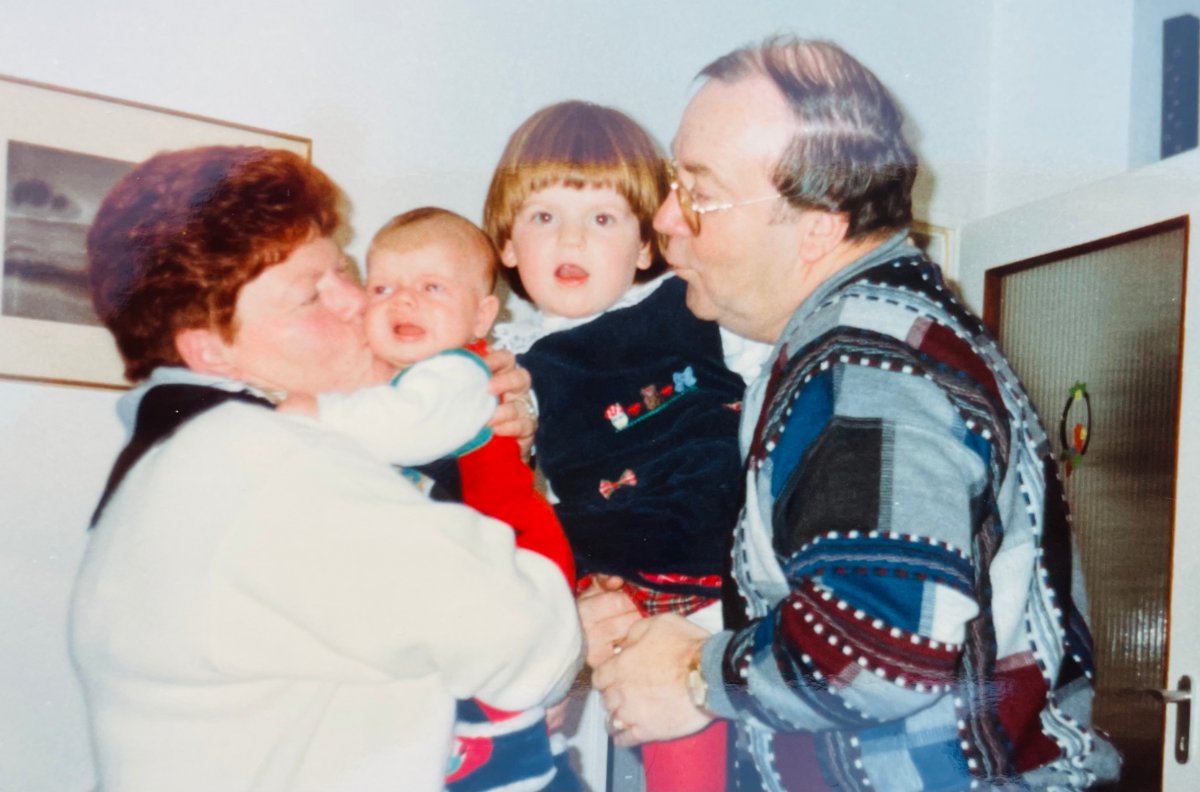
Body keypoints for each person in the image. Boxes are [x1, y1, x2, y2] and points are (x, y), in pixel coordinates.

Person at [589, 37, 1121, 791]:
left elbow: (877, 651)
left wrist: (693, 678)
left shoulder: (864, 363)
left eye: (700, 193)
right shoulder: (883, 335)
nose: (667, 217)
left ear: (817, 224)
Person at [69, 145, 581, 792]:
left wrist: (484, 439)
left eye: (343, 270)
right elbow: (528, 635)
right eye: (310, 295)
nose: (356, 303)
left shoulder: (178, 458)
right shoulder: (256, 463)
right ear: (212, 350)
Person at [484, 100, 769, 792]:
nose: (571, 240)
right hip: (618, 588)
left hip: (723, 577)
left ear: (647, 244)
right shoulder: (516, 367)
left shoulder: (690, 304)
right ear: (508, 244)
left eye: (602, 219)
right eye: (544, 217)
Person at [279, 206, 580, 792]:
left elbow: (406, 426)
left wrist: (316, 413)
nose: (404, 302)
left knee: (501, 717)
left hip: (520, 561)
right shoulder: (403, 377)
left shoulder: (458, 373)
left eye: (432, 287)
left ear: (482, 314)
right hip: (484, 580)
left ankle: (515, 765)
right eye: (383, 288)